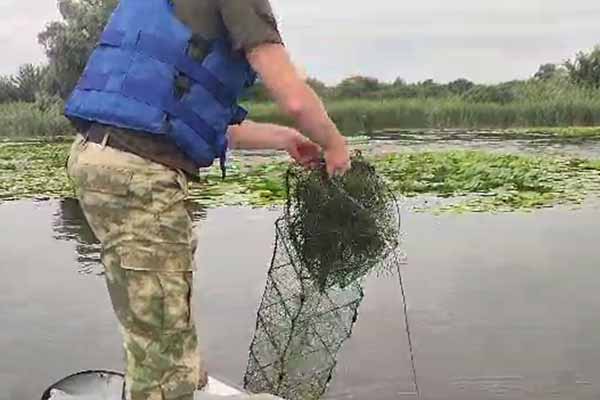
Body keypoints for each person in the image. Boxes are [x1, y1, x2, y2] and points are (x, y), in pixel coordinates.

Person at [65, 0, 351, 399]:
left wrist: (284, 138)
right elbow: (296, 100)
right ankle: (167, 383)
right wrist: (334, 145)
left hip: (101, 159)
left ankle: (174, 372)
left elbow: (195, 123)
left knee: (155, 309)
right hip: (138, 172)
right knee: (166, 360)